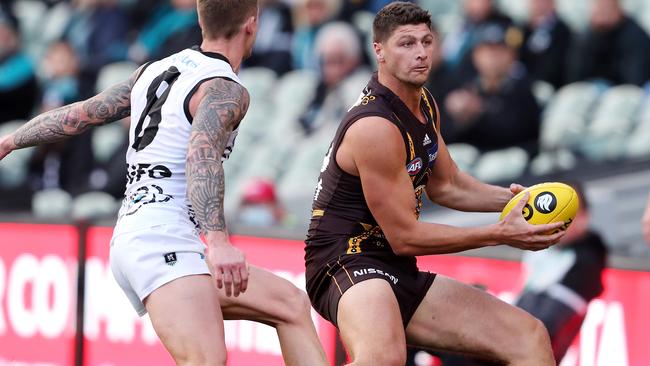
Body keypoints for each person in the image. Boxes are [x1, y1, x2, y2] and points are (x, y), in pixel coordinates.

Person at [0, 1, 328, 365]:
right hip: (163, 241)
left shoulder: (154, 70)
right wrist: (218, 243)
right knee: (206, 360)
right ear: (252, 25)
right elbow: (200, 155)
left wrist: (11, 140)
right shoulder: (224, 89)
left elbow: (81, 114)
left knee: (290, 305)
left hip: (144, 234)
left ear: (202, 20)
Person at [304, 3, 566, 365]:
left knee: (528, 335)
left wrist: (516, 200)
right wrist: (499, 233)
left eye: (427, 41)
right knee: (384, 358)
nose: (421, 53)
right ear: (378, 50)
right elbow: (405, 236)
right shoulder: (374, 126)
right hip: (344, 261)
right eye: (406, 43)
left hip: (394, 264)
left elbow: (448, 184)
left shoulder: (423, 102)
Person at [516, 182, 607, 362]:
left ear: (584, 217)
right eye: (552, 212)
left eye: (566, 214)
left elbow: (543, 326)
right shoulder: (544, 254)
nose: (556, 221)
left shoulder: (585, 264)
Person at [444, 22, 541, 155]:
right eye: (487, 51)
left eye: (500, 51)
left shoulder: (522, 88)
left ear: (512, 56)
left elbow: (520, 132)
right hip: (472, 160)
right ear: (475, 56)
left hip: (513, 161)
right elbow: (448, 137)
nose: (493, 57)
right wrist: (459, 120)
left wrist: (479, 112)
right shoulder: (466, 89)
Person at [568, 0, 650, 86]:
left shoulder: (635, 35)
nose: (603, 12)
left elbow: (635, 78)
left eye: (607, 7)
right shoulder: (586, 36)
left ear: (618, 8)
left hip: (624, 91)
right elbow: (575, 77)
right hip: (592, 89)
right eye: (599, 7)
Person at [520, 0, 571, 89]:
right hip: (525, 83)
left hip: (550, 86)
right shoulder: (523, 29)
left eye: (543, 1)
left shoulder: (562, 30)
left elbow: (557, 65)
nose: (539, 5)